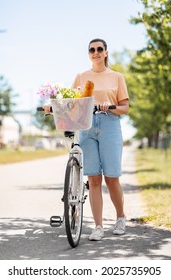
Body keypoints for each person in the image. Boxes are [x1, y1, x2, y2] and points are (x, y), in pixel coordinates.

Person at [71, 38, 129, 241]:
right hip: (86, 127)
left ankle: (120, 217)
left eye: (99, 49)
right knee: (94, 178)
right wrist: (52, 105)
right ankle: (98, 226)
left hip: (109, 124)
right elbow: (72, 102)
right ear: (89, 53)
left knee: (112, 177)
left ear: (105, 52)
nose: (95, 52)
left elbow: (125, 108)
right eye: (91, 50)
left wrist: (109, 106)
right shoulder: (81, 76)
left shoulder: (116, 77)